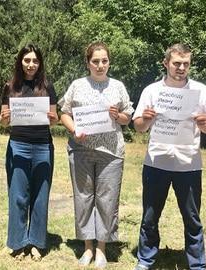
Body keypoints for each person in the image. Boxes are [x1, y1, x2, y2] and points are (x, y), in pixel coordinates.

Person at [132, 43, 206, 270]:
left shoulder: (200, 90)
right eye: (177, 63)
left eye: (186, 64)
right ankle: (146, 259)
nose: (181, 68)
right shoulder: (151, 91)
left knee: (192, 218)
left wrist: (204, 122)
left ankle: (197, 264)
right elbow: (139, 126)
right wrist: (147, 119)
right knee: (150, 216)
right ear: (166, 63)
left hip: (188, 163)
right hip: (156, 162)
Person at [59, 41, 134, 268]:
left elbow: (127, 117)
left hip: (111, 153)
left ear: (109, 62)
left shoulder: (118, 86)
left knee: (107, 200)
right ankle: (87, 248)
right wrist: (74, 130)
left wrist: (118, 115)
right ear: (88, 63)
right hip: (80, 150)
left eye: (104, 61)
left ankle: (102, 248)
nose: (100, 65)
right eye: (95, 61)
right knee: (83, 198)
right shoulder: (77, 85)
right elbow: (64, 112)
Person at [0, 44, 58, 261]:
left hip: (43, 146)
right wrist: (4, 119)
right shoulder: (10, 87)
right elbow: (4, 122)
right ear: (20, 62)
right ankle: (17, 242)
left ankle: (36, 242)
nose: (31, 65)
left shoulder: (47, 87)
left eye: (35, 60)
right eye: (27, 60)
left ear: (40, 63)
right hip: (18, 145)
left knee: (40, 196)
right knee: (18, 196)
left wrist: (53, 119)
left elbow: (54, 119)